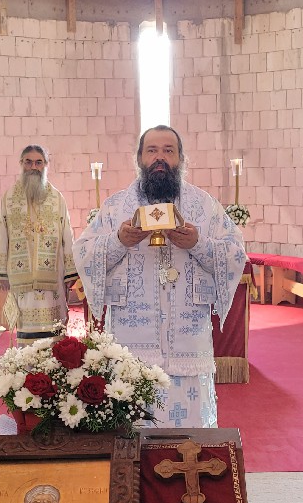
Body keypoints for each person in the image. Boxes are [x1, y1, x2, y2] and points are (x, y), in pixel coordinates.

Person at [74, 125, 247, 428]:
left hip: (187, 343)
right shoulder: (116, 207)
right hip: (132, 343)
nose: (160, 158)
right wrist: (119, 241)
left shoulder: (205, 206)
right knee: (134, 434)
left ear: (181, 158)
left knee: (189, 439)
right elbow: (84, 253)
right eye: (152, 150)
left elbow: (235, 254)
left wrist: (198, 244)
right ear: (139, 158)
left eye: (169, 151)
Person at [0, 145, 79, 344]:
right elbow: (0, 233)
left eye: (39, 162)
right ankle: (27, 361)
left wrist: (70, 271)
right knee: (26, 330)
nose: (33, 167)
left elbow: (67, 235)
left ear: (46, 165)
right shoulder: (9, 198)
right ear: (21, 164)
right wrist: (0, 271)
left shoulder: (57, 198)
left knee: (53, 332)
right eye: (28, 162)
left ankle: (54, 360)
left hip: (52, 276)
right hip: (20, 277)